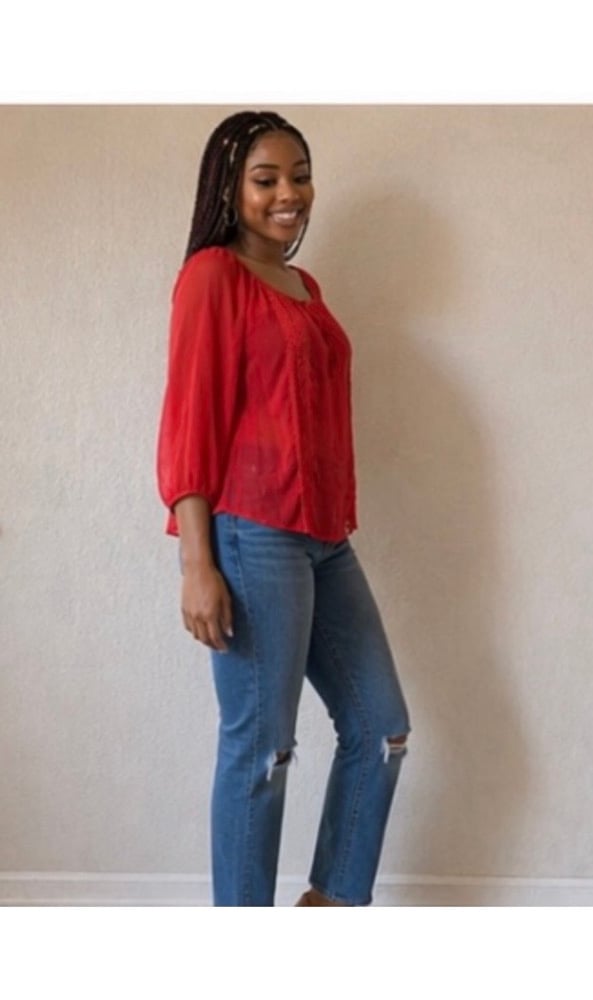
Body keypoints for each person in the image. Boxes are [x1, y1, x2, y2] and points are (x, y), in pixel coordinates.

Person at [156, 110, 410, 907]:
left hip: (325, 537)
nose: (288, 194)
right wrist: (197, 564)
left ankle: (327, 908)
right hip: (251, 534)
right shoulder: (212, 276)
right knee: (262, 750)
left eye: (299, 176)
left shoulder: (306, 287)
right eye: (265, 179)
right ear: (229, 189)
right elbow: (190, 421)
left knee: (380, 729)